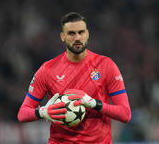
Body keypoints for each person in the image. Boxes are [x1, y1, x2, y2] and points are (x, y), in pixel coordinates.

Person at [17, 12, 131, 144]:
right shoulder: (47, 70)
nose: (77, 38)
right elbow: (22, 114)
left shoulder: (106, 65)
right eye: (71, 33)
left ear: (87, 34)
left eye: (81, 32)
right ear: (62, 37)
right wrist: (43, 112)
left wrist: (93, 103)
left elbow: (125, 114)